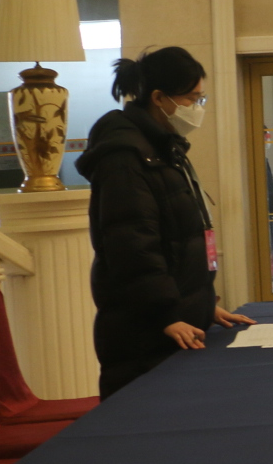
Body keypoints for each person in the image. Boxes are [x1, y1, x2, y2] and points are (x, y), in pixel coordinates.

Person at [76, 46, 251, 397]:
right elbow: (133, 246)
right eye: (191, 99)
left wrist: (203, 305)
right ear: (158, 98)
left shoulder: (163, 149)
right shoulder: (125, 156)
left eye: (201, 99)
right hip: (144, 336)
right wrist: (166, 315)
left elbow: (178, 240)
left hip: (176, 323)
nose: (197, 108)